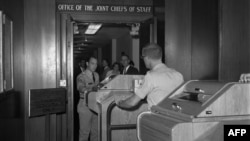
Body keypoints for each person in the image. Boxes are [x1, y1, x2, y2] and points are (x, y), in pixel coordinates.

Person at [116, 43, 184, 109]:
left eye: (143, 57)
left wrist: (119, 103)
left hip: (157, 118)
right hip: (176, 118)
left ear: (147, 58)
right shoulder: (178, 75)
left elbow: (132, 102)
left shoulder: (151, 76)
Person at [76, 56, 99, 141]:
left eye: (96, 64)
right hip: (85, 105)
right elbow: (80, 88)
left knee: (96, 132)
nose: (95, 66)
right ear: (87, 64)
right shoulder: (81, 76)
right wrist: (92, 88)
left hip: (95, 105)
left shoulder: (96, 75)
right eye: (92, 63)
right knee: (84, 133)